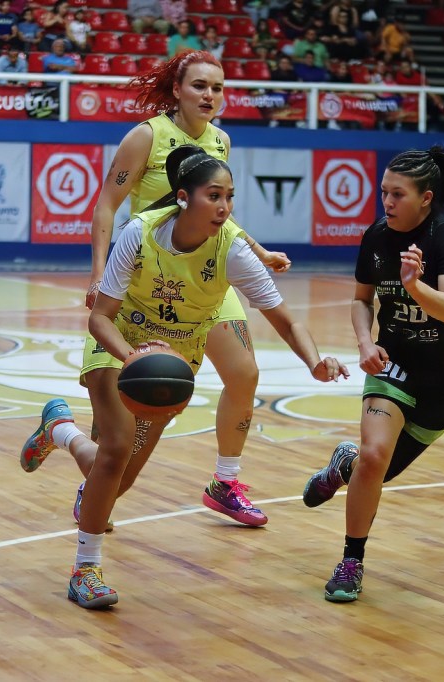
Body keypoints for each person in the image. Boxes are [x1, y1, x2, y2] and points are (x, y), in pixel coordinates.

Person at [21, 146, 350, 608]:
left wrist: (314, 361)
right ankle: (85, 571)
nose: (224, 207)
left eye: (230, 197)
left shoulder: (232, 249)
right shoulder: (140, 234)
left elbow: (286, 319)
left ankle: (61, 431)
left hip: (173, 363)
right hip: (118, 343)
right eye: (213, 196)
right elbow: (100, 318)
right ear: (182, 197)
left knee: (116, 476)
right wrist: (133, 357)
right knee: (115, 452)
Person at [85, 51, 292, 528]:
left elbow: (216, 209)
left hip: (206, 272)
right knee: (125, 417)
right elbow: (107, 205)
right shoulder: (146, 136)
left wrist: (258, 252)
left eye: (217, 88)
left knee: (244, 373)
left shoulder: (221, 140)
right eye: (199, 85)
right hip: (149, 277)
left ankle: (225, 482)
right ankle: (93, 477)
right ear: (177, 90)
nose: (209, 95)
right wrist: (98, 273)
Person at [301, 145, 444, 602]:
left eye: (397, 194)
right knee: (374, 458)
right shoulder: (376, 237)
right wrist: (366, 344)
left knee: (375, 472)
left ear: (426, 198)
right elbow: (360, 300)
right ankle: (351, 562)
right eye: (384, 192)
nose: (386, 202)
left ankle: (342, 465)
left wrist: (413, 285)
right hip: (395, 363)